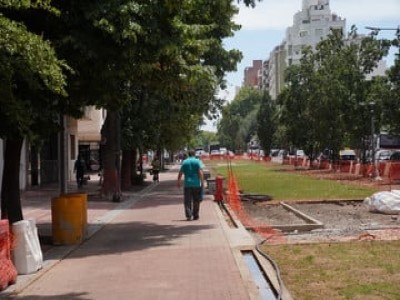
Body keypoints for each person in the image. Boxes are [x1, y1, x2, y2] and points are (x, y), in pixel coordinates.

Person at [177, 150, 204, 221]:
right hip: (196, 184)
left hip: (187, 184)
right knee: (196, 200)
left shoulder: (184, 162)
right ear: (194, 154)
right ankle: (195, 215)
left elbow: (180, 173)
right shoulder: (197, 161)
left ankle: (189, 215)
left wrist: (178, 182)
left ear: (188, 154)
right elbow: (200, 173)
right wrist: (202, 183)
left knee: (187, 201)